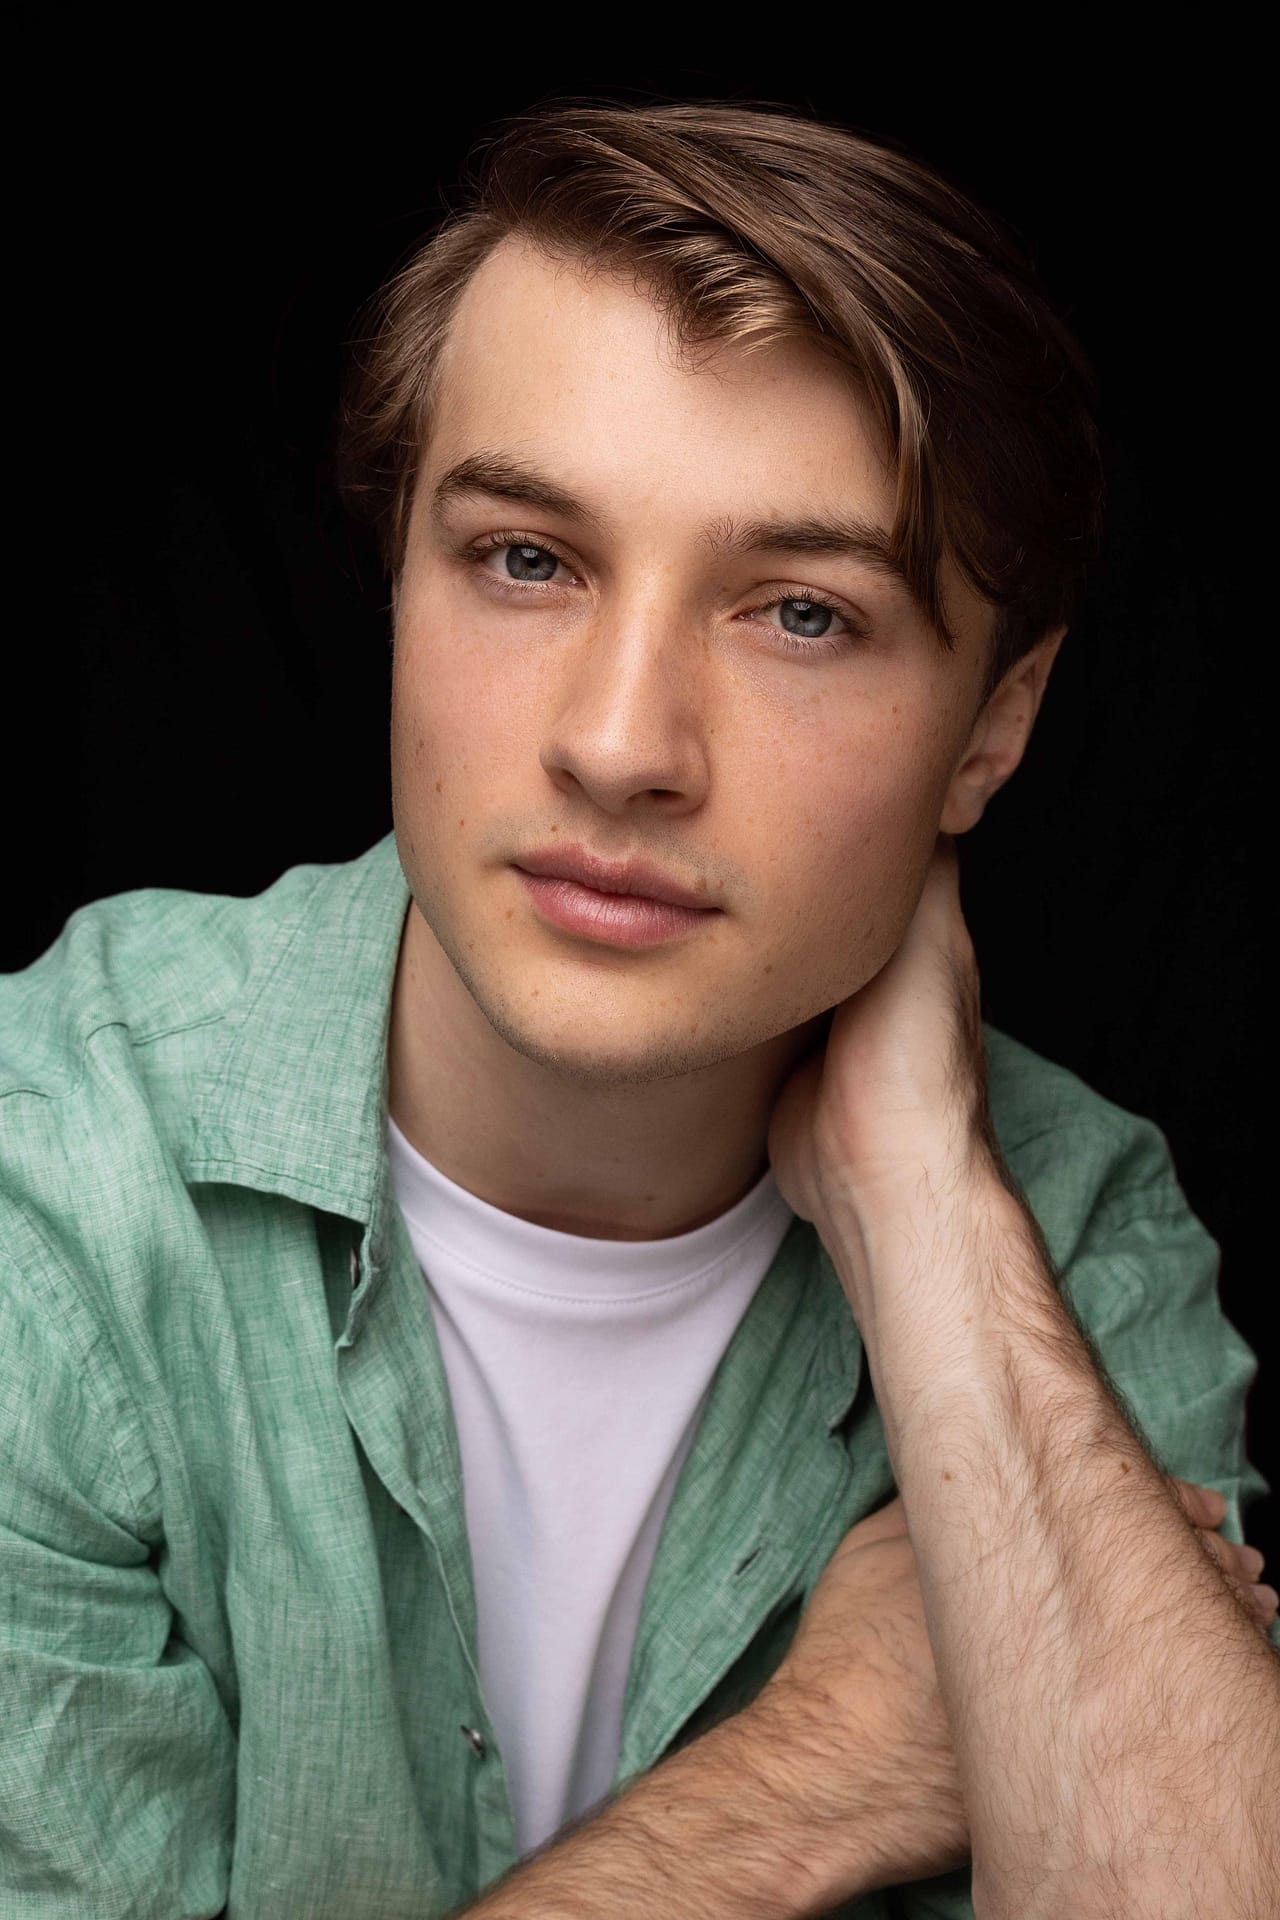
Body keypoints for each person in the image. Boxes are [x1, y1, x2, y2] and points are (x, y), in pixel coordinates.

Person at [2, 99, 1276, 1920]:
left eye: (801, 616)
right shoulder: (46, 1177)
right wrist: (817, 1777)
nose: (618, 745)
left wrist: (920, 1191)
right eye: (528, 559)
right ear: (399, 585)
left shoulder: (1074, 1241)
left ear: (993, 728)